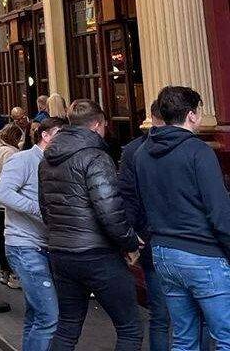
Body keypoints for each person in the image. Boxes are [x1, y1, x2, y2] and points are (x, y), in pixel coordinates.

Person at [37, 99, 141, 350]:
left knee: (67, 327)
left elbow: (45, 207)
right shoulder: (96, 157)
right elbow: (109, 208)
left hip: (61, 251)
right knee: (129, 329)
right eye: (104, 124)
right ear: (96, 125)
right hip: (96, 253)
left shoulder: (48, 159)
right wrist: (128, 242)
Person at [133, 85, 230, 349]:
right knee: (226, 336)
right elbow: (219, 212)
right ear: (190, 115)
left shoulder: (142, 154)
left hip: (164, 252)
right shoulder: (198, 152)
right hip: (202, 252)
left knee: (184, 337)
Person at [0, 116, 66, 351]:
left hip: (45, 245)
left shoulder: (56, 163)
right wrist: (38, 209)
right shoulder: (22, 160)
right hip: (25, 246)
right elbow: (3, 193)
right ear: (46, 136)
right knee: (49, 316)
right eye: (61, 134)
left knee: (36, 314)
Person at [118, 101, 171, 351]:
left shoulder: (132, 151)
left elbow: (127, 197)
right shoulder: (195, 149)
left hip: (150, 240)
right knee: (195, 316)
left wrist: (131, 237)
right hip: (190, 243)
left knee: (160, 317)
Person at [0, 122, 25, 288]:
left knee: (1, 235)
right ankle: (12, 272)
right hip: (7, 200)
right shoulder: (10, 152)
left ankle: (4, 271)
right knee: (9, 236)